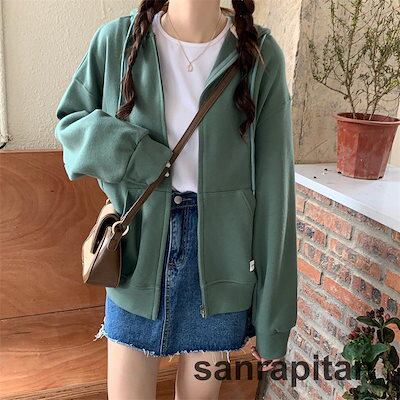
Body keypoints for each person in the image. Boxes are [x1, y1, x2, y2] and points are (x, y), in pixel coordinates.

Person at [54, 0, 298, 399]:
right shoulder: (117, 41)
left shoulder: (259, 54)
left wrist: (274, 320)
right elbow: (70, 125)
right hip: (138, 254)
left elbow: (276, 195)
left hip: (220, 262)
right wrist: (137, 155)